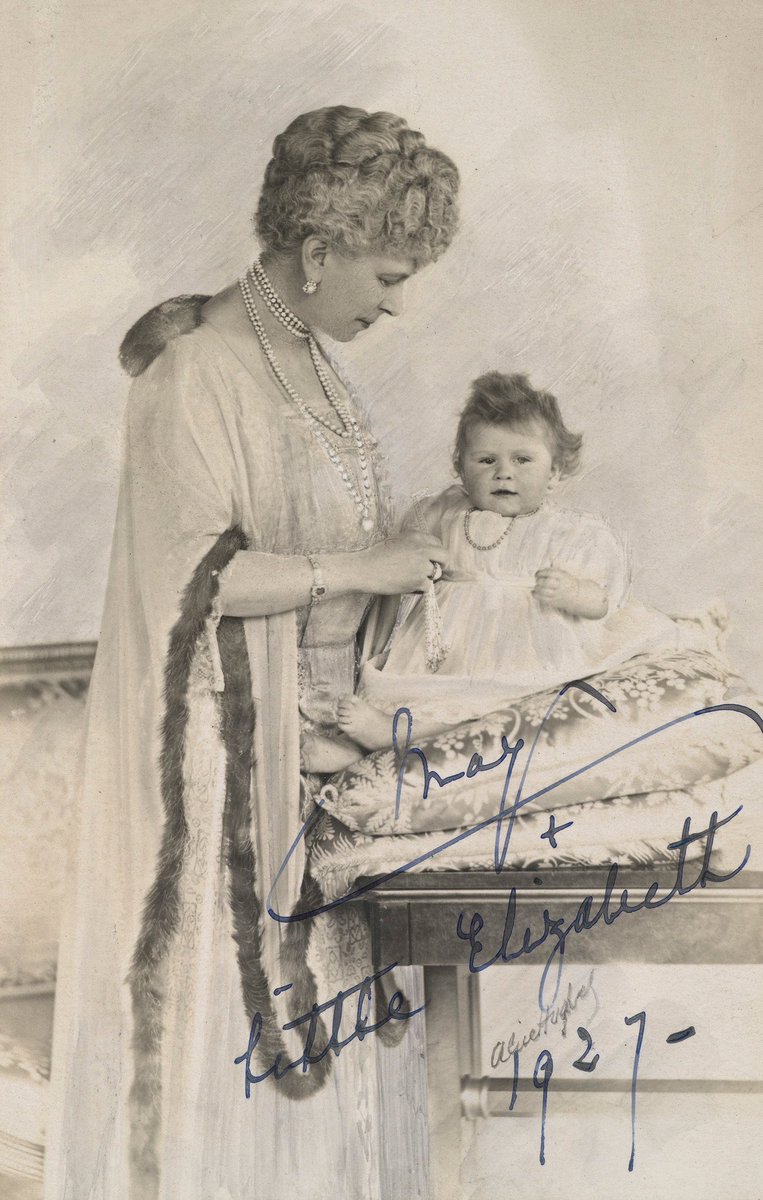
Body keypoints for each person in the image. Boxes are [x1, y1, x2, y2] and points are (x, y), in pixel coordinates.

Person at [45, 105, 459, 1200]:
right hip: (223, 761)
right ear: (317, 251)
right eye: (384, 272)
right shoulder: (196, 371)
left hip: (321, 750)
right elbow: (196, 580)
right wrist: (365, 570)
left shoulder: (318, 366)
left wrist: (418, 556)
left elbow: (336, 539)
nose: (394, 301)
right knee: (234, 1045)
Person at [337, 370, 688, 749]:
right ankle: (390, 734)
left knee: (512, 712)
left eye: (523, 460)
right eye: (486, 460)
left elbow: (602, 602)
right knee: (439, 699)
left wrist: (573, 591)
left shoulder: (567, 532)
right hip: (455, 649)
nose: (504, 472)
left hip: (530, 650)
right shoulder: (444, 516)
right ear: (460, 468)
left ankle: (399, 736)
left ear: (553, 472)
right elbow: (405, 565)